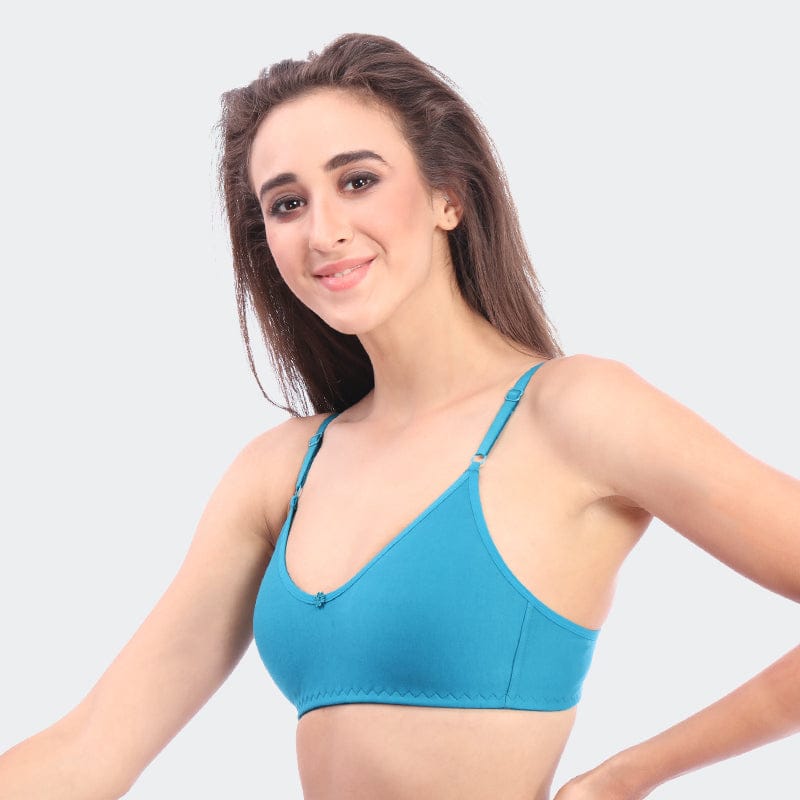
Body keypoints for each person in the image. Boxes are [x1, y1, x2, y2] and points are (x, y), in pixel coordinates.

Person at [1, 31, 798, 800]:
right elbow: (91, 748)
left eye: (357, 181)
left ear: (449, 195)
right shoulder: (281, 471)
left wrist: (627, 775)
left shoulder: (572, 412)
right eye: (287, 204)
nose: (324, 231)